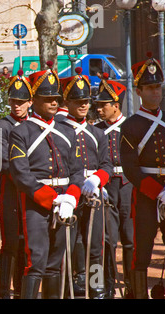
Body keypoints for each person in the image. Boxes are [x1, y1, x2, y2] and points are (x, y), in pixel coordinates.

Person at [8, 61, 83, 299]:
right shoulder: (21, 132)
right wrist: (52, 200)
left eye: (56, 98)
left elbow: (78, 170)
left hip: (66, 203)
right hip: (36, 204)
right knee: (36, 259)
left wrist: (70, 197)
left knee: (57, 262)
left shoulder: (68, 131)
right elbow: (21, 174)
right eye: (46, 97)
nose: (54, 102)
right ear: (33, 100)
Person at [120, 53, 165, 299]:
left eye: (158, 87)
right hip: (145, 196)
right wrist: (158, 192)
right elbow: (130, 168)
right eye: (150, 88)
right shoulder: (130, 126)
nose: (155, 92)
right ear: (139, 91)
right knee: (142, 250)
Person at [59, 67, 113, 299]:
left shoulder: (97, 133)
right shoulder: (59, 130)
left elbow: (107, 164)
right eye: (77, 101)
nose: (83, 105)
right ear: (67, 102)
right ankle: (71, 284)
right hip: (68, 192)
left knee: (95, 243)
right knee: (70, 242)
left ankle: (96, 285)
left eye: (86, 101)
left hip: (93, 192)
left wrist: (98, 179)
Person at [0, 69, 32, 299]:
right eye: (13, 101)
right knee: (9, 241)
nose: (17, 106)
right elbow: (1, 161)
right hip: (9, 189)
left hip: (30, 192)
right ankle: (2, 289)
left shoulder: (35, 125)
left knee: (27, 240)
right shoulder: (0, 126)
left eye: (21, 102)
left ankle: (22, 289)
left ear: (29, 102)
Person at [94, 73, 134, 299]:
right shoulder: (96, 129)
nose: (98, 110)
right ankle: (105, 286)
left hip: (128, 184)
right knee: (106, 240)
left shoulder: (131, 126)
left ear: (116, 105)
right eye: (97, 106)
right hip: (106, 186)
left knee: (130, 239)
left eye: (103, 106)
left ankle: (132, 287)